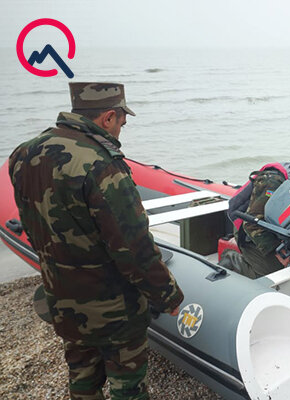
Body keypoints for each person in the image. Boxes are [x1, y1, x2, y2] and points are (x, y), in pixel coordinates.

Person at [9, 82, 184, 400]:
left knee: (82, 378)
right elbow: (133, 247)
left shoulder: (23, 153)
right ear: (107, 117)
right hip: (114, 308)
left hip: (62, 298)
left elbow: (34, 227)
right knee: (126, 386)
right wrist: (168, 296)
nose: (120, 130)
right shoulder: (102, 165)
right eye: (121, 122)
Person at [227, 161, 290, 278]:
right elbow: (251, 224)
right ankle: (231, 260)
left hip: (273, 224)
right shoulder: (272, 182)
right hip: (249, 229)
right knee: (273, 274)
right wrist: (277, 251)